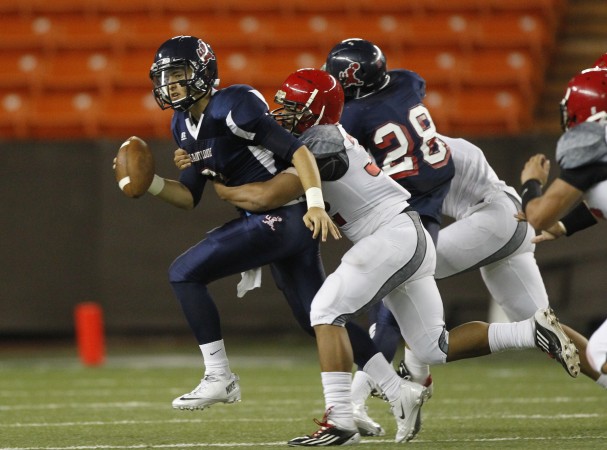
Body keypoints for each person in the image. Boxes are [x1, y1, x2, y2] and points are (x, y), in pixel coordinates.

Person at [213, 68, 581, 446]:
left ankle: (340, 420)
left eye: (291, 106)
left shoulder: (322, 143)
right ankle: (529, 330)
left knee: (324, 309)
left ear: (316, 111)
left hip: (392, 235)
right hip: (409, 234)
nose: (282, 112)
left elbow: (266, 197)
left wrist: (221, 188)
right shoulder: (320, 137)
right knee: (431, 348)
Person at [136, 35, 348, 412]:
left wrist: (316, 204)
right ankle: (390, 381)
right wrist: (149, 183)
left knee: (184, 272)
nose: (169, 85)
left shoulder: (234, 103)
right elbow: (188, 196)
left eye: (178, 74)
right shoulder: (181, 124)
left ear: (202, 72)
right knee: (317, 317)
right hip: (276, 223)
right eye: (164, 77)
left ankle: (219, 376)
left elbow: (297, 150)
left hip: (282, 217)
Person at [349, 132, 607, 437]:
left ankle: (373, 394)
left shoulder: (406, 159)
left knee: (396, 277)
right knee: (551, 329)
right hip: (508, 222)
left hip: (496, 220)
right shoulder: (425, 143)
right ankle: (413, 378)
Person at [322, 37, 455, 435]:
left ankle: (361, 400)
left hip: (405, 204)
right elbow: (410, 94)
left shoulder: (355, 115)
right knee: (397, 313)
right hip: (432, 186)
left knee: (389, 313)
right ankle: (393, 389)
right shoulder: (407, 81)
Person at [520, 66, 607, 378]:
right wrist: (564, 227)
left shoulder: (594, 145)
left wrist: (531, 183)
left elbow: (539, 214)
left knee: (600, 353)